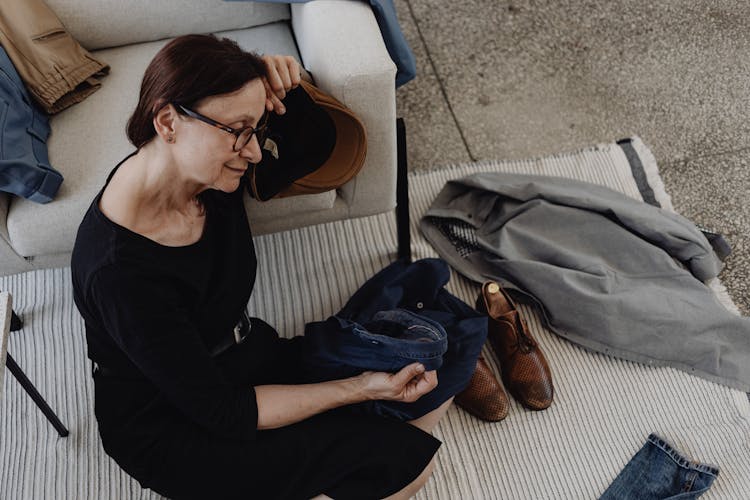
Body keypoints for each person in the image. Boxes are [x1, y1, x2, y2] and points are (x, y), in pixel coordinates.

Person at [71, 34, 452, 500]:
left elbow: (314, 151)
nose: (253, 152)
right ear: (168, 121)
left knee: (434, 380)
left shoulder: (209, 177)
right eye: (238, 131)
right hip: (171, 422)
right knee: (410, 465)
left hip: (245, 355)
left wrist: (281, 89)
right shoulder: (120, 273)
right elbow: (224, 411)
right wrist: (357, 388)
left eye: (256, 131)